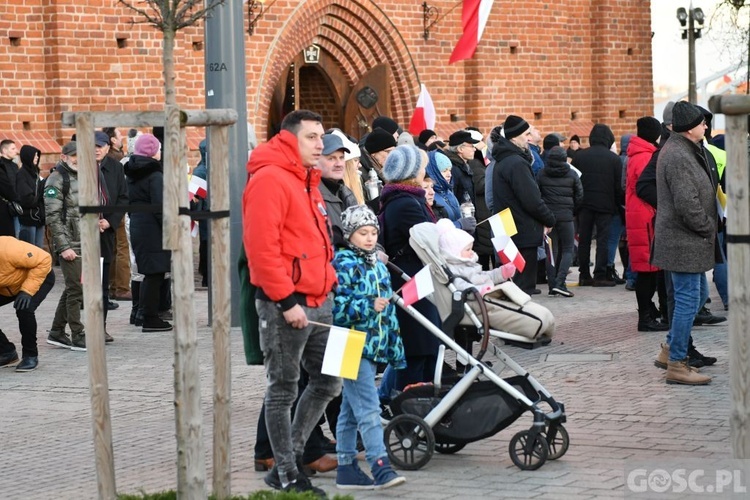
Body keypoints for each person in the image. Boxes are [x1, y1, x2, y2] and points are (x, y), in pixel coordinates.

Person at [243, 109, 342, 496]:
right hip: (288, 302)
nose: (321, 145)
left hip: (320, 298)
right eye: (312, 137)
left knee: (329, 381)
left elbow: (316, 240)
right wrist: (285, 300)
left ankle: (292, 456)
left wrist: (330, 283)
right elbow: (262, 248)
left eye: (321, 137)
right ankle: (286, 473)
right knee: (283, 389)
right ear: (289, 139)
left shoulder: (306, 180)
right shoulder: (270, 179)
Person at [332, 204, 406, 490]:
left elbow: (386, 311)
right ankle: (380, 465)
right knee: (369, 407)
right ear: (350, 234)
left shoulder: (377, 263)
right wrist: (366, 305)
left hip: (370, 345)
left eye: (373, 232)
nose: (369, 238)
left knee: (351, 408)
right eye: (363, 233)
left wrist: (392, 344)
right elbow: (336, 306)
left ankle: (345, 466)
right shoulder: (342, 263)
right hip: (348, 342)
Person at [651, 101, 716, 385]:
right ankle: (677, 362)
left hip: (687, 240)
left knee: (697, 296)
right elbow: (686, 202)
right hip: (683, 239)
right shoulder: (678, 154)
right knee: (689, 299)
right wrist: (707, 226)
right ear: (690, 128)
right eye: (702, 123)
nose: (706, 126)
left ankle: (669, 349)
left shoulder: (686, 148)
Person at [378, 144, 442, 391]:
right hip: (411, 282)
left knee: (424, 344)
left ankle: (409, 398)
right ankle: (407, 402)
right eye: (422, 168)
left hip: (416, 279)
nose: (425, 173)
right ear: (411, 171)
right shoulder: (405, 203)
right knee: (418, 347)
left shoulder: (405, 199)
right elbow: (429, 240)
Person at [491, 115, 556, 295]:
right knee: (521, 289)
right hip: (522, 231)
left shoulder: (505, 160)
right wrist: (549, 219)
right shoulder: (516, 162)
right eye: (526, 133)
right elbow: (531, 200)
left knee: (515, 286)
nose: (530, 138)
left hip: (512, 229)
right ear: (514, 137)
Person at [124, 134, 173, 333]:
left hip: (138, 223)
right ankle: (150, 317)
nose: (160, 152)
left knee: (148, 272)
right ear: (152, 151)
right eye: (158, 149)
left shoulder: (133, 172)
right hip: (152, 228)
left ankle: (143, 314)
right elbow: (160, 206)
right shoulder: (154, 175)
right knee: (154, 273)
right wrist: (170, 229)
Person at [626, 117, 669, 332]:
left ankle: (648, 311)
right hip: (646, 218)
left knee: (648, 269)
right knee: (647, 270)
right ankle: (645, 317)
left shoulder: (638, 154)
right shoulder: (645, 157)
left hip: (640, 217)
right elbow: (647, 188)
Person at [44, 141, 85, 351]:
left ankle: (57, 332)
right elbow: (52, 217)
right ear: (64, 157)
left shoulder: (82, 175)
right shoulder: (55, 179)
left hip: (84, 241)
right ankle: (78, 334)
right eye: (73, 155)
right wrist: (63, 247)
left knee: (73, 288)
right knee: (76, 289)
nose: (78, 157)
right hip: (69, 243)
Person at [573, 124, 623, 287]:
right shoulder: (614, 159)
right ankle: (600, 275)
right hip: (605, 205)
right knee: (602, 240)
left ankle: (584, 274)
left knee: (584, 239)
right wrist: (618, 206)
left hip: (584, 205)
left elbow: (574, 182)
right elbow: (618, 186)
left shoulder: (579, 157)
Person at [0, 236, 55, 372]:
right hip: (7, 286)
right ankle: (7, 352)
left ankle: (30, 355)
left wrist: (27, 291)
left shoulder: (8, 248)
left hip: (39, 277)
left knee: (24, 309)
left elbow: (44, 259)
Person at [537, 146, 583, 297]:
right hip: (566, 217)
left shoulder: (542, 173)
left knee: (551, 251)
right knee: (568, 249)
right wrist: (572, 212)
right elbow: (579, 196)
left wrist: (544, 216)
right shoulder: (572, 173)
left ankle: (552, 285)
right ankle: (560, 283)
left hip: (548, 218)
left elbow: (537, 195)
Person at [319, 133, 358, 245]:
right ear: (316, 160)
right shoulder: (314, 195)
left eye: (341, 158)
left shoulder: (346, 192)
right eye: (331, 158)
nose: (339, 164)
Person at [16, 144, 46, 247]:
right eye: (35, 155)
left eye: (38, 155)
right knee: (29, 250)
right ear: (28, 156)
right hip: (28, 218)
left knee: (39, 249)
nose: (37, 157)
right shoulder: (21, 175)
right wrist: (40, 197)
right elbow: (26, 198)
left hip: (39, 218)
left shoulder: (35, 173)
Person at [443, 130, 479, 205]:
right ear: (460, 149)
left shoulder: (464, 166)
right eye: (472, 146)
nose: (474, 149)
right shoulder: (453, 169)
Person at [0, 139, 20, 237]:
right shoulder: (1, 166)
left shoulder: (15, 166)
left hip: (17, 206)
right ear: (4, 150)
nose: (16, 151)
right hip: (5, 207)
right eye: (13, 148)